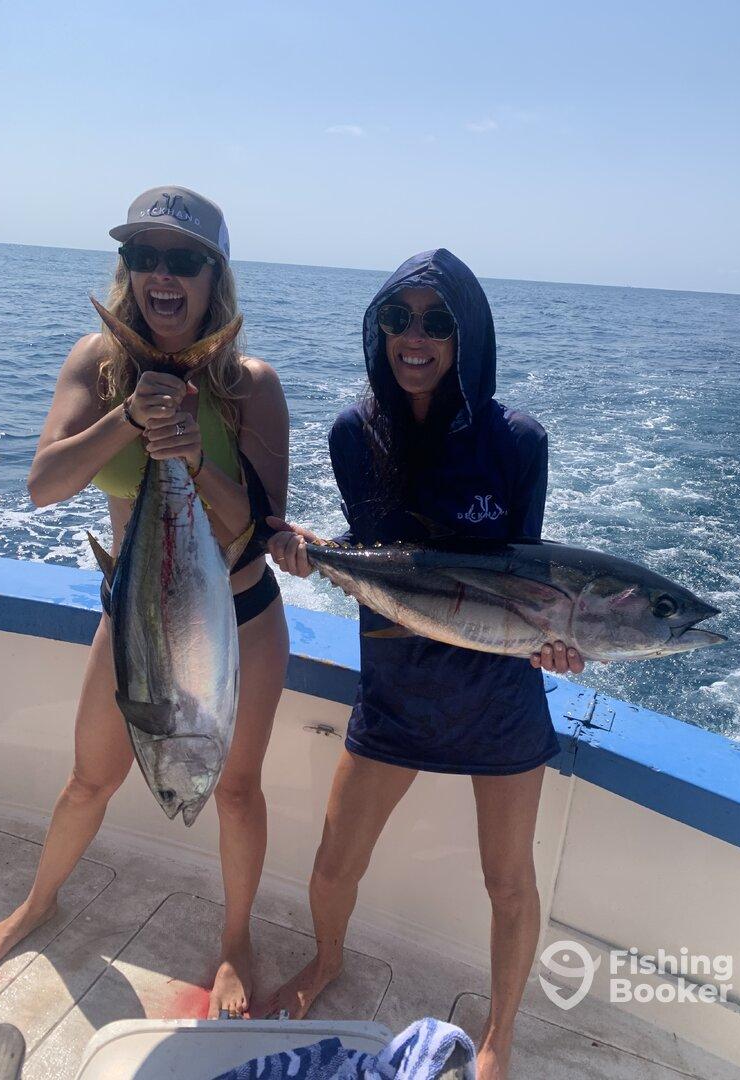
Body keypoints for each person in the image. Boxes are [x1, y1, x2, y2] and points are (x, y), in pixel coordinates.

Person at [264, 249, 584, 1080]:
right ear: (378, 328)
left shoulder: (517, 442)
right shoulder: (352, 433)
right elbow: (376, 561)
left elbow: (526, 578)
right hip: (397, 694)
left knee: (508, 884)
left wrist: (554, 637)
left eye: (437, 320)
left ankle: (499, 1039)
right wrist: (312, 556)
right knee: (335, 862)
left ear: (465, 334)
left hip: (498, 696)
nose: (415, 335)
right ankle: (326, 958)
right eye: (398, 318)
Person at [0, 186, 289, 1020]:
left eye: (184, 260)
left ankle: (235, 942)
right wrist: (129, 416)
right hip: (138, 617)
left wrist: (193, 457)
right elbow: (45, 485)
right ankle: (38, 900)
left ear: (213, 277)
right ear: (127, 271)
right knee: (90, 778)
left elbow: (259, 530)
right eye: (144, 257)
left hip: (240, 614)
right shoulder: (98, 361)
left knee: (236, 790)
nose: (162, 274)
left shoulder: (251, 385)